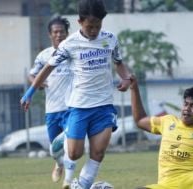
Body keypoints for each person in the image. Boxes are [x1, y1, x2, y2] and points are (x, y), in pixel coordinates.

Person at [20, 0, 132, 188]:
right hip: (79, 107)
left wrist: (126, 79)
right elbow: (48, 68)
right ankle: (65, 140)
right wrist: (30, 92)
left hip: (104, 105)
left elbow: (119, 63)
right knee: (74, 154)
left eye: (98, 26)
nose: (94, 30)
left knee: (98, 153)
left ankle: (79, 185)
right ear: (80, 22)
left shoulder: (110, 39)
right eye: (90, 26)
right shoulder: (69, 44)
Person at [28, 16, 74, 189]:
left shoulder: (73, 52)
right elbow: (32, 75)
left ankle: (68, 181)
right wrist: (37, 83)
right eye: (55, 32)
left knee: (70, 144)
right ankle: (58, 163)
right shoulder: (43, 55)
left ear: (67, 33)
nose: (59, 34)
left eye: (62, 31)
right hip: (52, 110)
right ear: (50, 34)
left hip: (71, 108)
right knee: (55, 149)